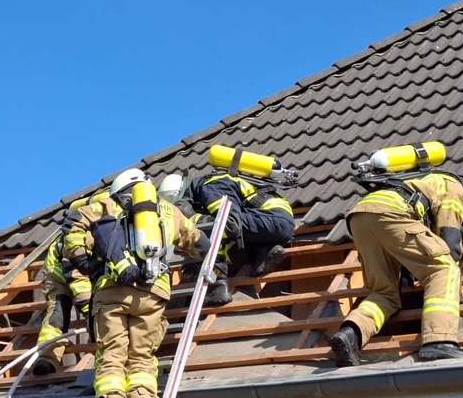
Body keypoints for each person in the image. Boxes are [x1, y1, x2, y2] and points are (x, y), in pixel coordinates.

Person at [328, 166, 463, 365]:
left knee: (385, 293)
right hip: (391, 213)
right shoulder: (455, 188)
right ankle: (439, 341)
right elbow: (449, 240)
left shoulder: (431, 181)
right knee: (444, 270)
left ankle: (350, 335)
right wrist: (452, 294)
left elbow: (412, 246)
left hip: (360, 217)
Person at [63, 168, 212, 398]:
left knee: (112, 353)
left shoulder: (103, 206)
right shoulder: (167, 209)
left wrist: (85, 263)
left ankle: (111, 394)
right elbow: (201, 244)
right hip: (153, 292)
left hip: (112, 290)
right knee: (142, 356)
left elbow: (72, 230)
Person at [165, 171, 295, 306]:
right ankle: (261, 255)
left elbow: (230, 224)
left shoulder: (211, 184)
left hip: (272, 218)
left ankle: (217, 286)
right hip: (275, 224)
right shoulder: (208, 190)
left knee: (208, 227)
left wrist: (192, 220)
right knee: (231, 250)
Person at [32, 235, 92, 375]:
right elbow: (79, 281)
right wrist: (89, 311)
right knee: (57, 316)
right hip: (57, 276)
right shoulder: (76, 241)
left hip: (83, 273)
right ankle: (46, 359)